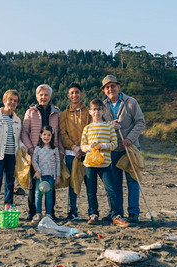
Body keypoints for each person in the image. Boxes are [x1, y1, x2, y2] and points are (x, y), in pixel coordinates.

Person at [101, 75, 146, 223]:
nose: (110, 89)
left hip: (130, 148)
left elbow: (140, 123)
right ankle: (117, 212)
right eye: (107, 87)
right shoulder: (103, 106)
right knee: (114, 183)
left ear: (118, 87)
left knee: (133, 181)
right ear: (104, 90)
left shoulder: (131, 102)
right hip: (113, 149)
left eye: (113, 86)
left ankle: (133, 213)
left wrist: (129, 139)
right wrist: (109, 126)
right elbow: (100, 127)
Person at [80, 99, 130, 228]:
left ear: (103, 111)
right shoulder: (87, 128)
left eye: (99, 109)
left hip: (105, 163)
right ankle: (93, 214)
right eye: (94, 109)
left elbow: (114, 144)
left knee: (111, 189)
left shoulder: (108, 126)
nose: (96, 112)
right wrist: (89, 147)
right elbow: (82, 146)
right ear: (90, 112)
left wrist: (104, 145)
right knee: (91, 191)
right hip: (90, 164)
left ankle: (116, 215)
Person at [21, 84, 64, 221]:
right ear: (37, 96)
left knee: (51, 184)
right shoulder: (30, 112)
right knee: (34, 185)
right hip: (36, 152)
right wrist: (30, 148)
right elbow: (24, 132)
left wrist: (60, 151)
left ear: (50, 97)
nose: (43, 97)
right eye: (41, 95)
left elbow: (59, 134)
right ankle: (33, 212)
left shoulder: (56, 113)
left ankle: (50, 212)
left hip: (51, 152)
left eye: (46, 95)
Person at [60, 83, 92, 221]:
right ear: (68, 95)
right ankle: (73, 212)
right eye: (72, 93)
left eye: (77, 92)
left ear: (81, 94)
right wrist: (74, 147)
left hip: (88, 154)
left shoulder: (89, 112)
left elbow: (92, 130)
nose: (74, 95)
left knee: (89, 183)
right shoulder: (64, 114)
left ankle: (92, 212)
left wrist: (84, 148)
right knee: (73, 184)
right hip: (71, 154)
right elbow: (63, 134)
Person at [31, 125, 61, 222]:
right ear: (40, 135)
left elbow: (57, 163)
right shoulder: (38, 149)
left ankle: (48, 214)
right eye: (44, 134)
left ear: (52, 136)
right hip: (40, 176)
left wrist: (58, 176)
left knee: (49, 196)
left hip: (50, 176)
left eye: (49, 135)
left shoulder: (54, 149)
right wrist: (37, 170)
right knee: (38, 195)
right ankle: (38, 213)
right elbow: (34, 160)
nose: (46, 137)